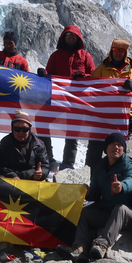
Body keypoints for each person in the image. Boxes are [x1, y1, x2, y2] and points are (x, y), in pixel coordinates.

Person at [65, 132, 132, 261]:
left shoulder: (129, 164)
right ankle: (79, 248)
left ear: (123, 149)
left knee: (120, 208)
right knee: (85, 213)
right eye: (112, 144)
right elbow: (96, 193)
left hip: (129, 214)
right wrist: (88, 193)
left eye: (119, 145)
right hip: (108, 212)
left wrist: (122, 186)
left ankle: (101, 245)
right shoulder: (100, 167)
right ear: (106, 148)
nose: (116, 147)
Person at [42, 25, 96, 169]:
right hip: (57, 99)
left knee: (72, 132)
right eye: (68, 35)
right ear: (63, 37)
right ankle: (48, 157)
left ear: (79, 38)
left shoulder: (86, 56)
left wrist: (84, 77)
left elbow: (94, 76)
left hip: (76, 101)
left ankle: (68, 163)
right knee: (42, 122)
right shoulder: (55, 55)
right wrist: (43, 75)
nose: (71, 37)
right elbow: (48, 74)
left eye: (74, 35)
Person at [85, 39, 132, 168]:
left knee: (117, 152)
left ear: (125, 53)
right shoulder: (101, 69)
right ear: (111, 51)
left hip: (123, 116)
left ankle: (114, 184)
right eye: (116, 50)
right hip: (101, 116)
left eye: (121, 51)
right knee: (94, 152)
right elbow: (90, 87)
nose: (118, 53)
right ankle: (91, 182)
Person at [0, 110, 49, 180]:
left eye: (25, 129)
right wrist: (13, 176)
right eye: (17, 129)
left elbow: (45, 166)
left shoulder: (39, 145)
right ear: (12, 128)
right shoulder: (5, 144)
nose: (21, 132)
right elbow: (0, 166)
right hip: (10, 182)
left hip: (33, 181)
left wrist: (41, 173)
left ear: (29, 129)